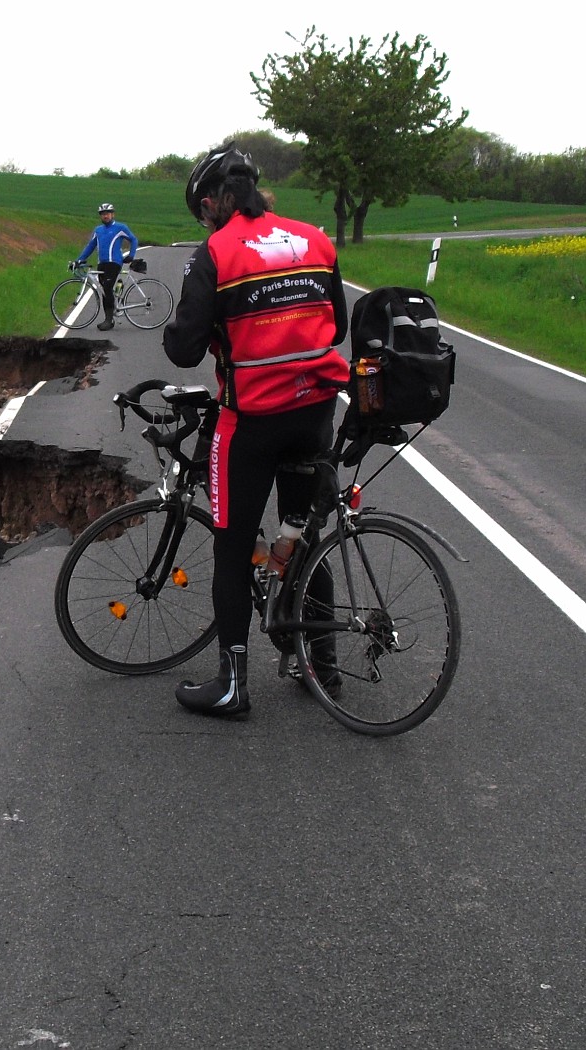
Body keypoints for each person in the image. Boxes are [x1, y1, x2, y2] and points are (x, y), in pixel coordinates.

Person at [162, 143, 349, 719]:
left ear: (217, 200)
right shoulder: (314, 241)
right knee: (301, 538)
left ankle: (232, 684)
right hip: (316, 412)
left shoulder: (216, 252)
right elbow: (337, 323)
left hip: (253, 423)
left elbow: (184, 348)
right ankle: (321, 662)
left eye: (203, 209)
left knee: (232, 542)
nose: (204, 219)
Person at [74, 202, 138, 331]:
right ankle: (108, 317)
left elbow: (134, 239)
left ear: (112, 215)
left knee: (107, 288)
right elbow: (90, 246)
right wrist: (79, 260)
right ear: (100, 216)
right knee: (104, 291)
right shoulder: (98, 230)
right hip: (102, 264)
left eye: (108, 214)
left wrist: (131, 255)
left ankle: (109, 320)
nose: (105, 216)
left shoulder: (120, 227)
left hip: (114, 263)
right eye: (103, 214)